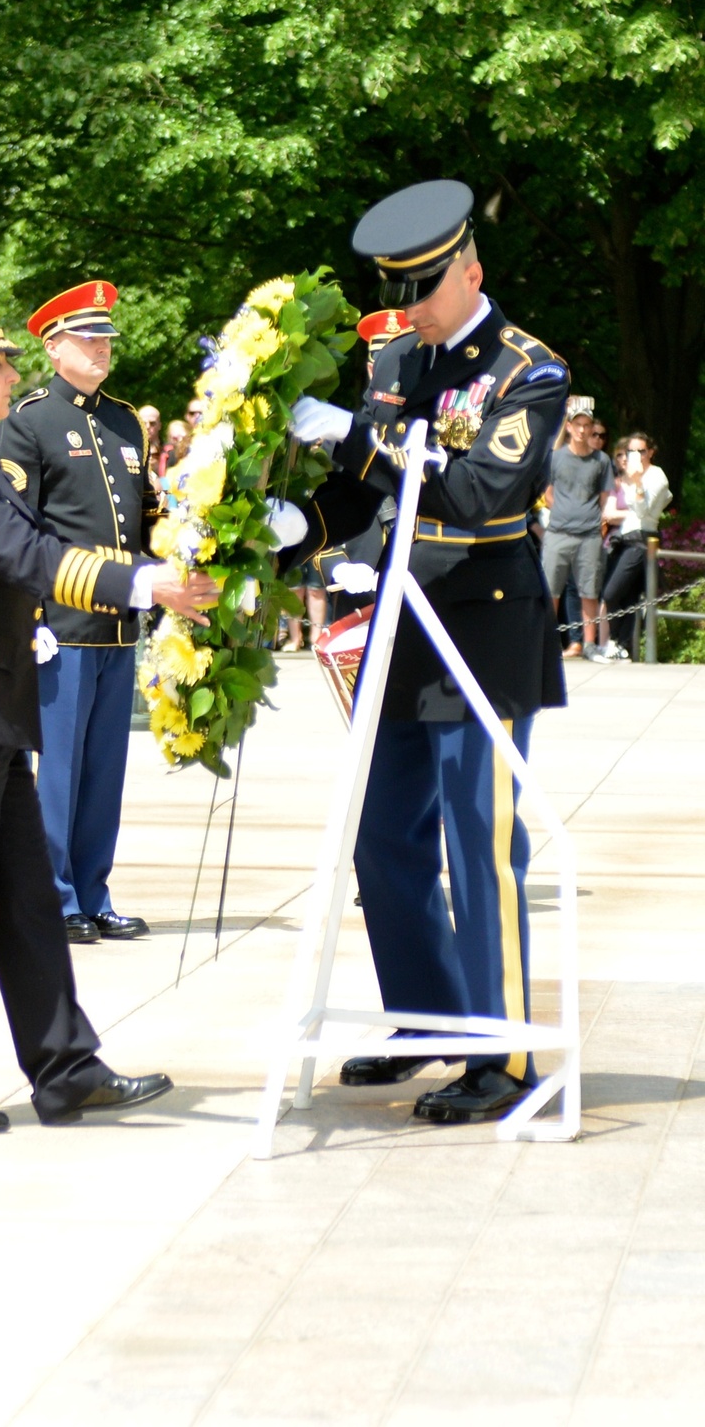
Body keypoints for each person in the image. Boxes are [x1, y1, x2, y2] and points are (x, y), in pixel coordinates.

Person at [0, 291, 216, 1132]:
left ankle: (63, 1067)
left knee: (25, 899)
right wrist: (141, 582)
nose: (10, 371)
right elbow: (27, 556)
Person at [281, 179, 569, 1124]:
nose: (409, 307)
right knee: (383, 837)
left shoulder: (529, 370)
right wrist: (290, 530)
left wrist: (362, 442)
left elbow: (479, 492)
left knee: (478, 845)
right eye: (398, 289)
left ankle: (505, 1055)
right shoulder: (399, 358)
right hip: (407, 626)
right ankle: (430, 1018)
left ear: (470, 269)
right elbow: (365, 499)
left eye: (426, 287)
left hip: (483, 626)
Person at [0, 281, 164, 945]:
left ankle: (94, 892)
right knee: (57, 773)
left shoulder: (124, 421)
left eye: (107, 338)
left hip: (119, 623)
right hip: (60, 624)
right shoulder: (30, 421)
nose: (102, 348)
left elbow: (141, 519)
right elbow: (18, 528)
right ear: (53, 344)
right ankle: (55, 896)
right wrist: (28, 618)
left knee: (103, 774)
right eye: (88, 338)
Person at [541, 397, 614, 662]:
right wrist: (562, 510)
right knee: (551, 589)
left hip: (589, 534)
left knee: (589, 590)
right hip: (559, 531)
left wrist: (588, 514)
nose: (583, 430)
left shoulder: (601, 460)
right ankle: (548, 643)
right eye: (578, 424)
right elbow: (547, 493)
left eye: (587, 425)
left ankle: (589, 644)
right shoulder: (556, 458)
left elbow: (605, 496)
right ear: (570, 427)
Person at [600, 432, 672, 658]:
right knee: (628, 597)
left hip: (642, 541)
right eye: (632, 451)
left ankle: (615, 641)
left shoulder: (656, 476)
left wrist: (638, 482)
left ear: (650, 452)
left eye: (642, 451)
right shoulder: (629, 477)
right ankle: (625, 647)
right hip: (625, 540)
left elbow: (642, 511)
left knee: (611, 593)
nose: (637, 456)